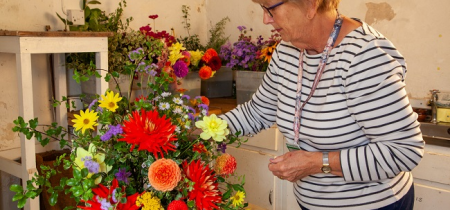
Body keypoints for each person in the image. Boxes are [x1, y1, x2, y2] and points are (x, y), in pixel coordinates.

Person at [220, 0, 425, 209]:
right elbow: (257, 112)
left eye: (270, 8)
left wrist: (316, 163)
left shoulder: (363, 56)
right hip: (312, 203)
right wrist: (201, 129)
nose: (265, 19)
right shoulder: (286, 50)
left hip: (372, 204)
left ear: (310, 5)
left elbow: (403, 151)